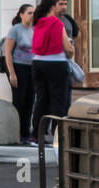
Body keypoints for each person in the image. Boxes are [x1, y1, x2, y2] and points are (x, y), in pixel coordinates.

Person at [31, 0, 73, 143]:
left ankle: (37, 133)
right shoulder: (57, 23)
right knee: (58, 101)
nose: (63, 7)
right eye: (60, 4)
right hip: (56, 63)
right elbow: (68, 49)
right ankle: (57, 134)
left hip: (37, 63)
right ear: (53, 6)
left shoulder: (38, 22)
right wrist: (72, 51)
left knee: (41, 100)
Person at [5, 4, 36, 145]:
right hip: (18, 68)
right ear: (21, 15)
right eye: (29, 12)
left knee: (30, 101)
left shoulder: (34, 30)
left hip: (32, 69)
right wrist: (12, 73)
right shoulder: (15, 30)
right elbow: (7, 53)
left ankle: (25, 133)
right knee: (19, 101)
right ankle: (16, 133)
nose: (32, 15)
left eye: (33, 13)